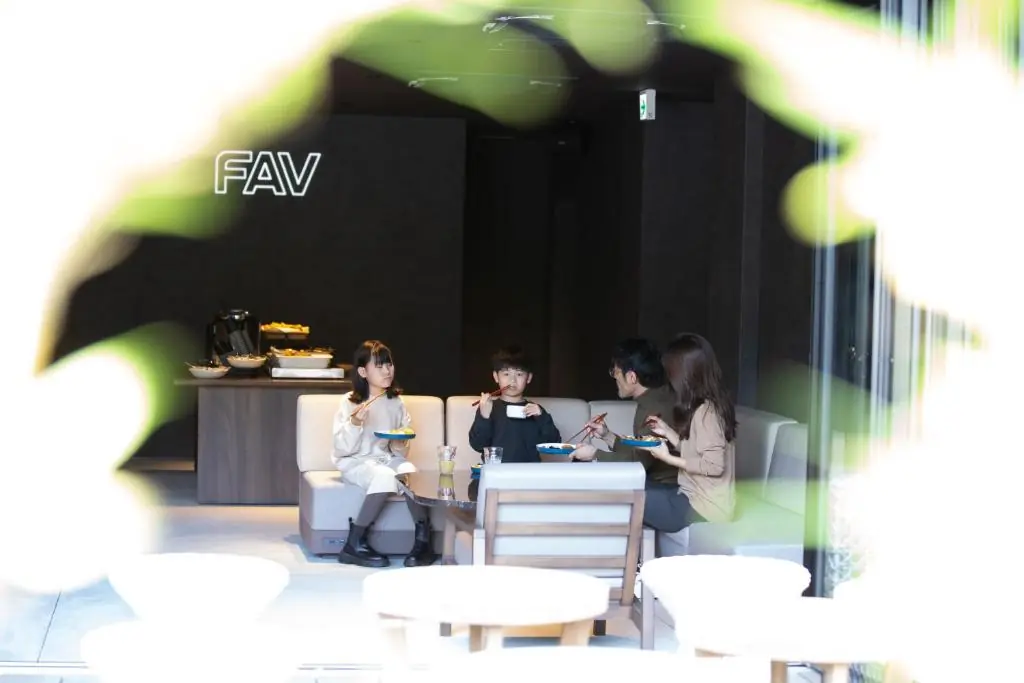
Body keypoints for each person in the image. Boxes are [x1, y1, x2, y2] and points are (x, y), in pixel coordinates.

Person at [574, 333, 736, 531]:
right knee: (615, 487)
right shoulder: (704, 406)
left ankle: (622, 551)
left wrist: (668, 458)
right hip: (690, 498)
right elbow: (696, 451)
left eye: (672, 372)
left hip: (702, 508)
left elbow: (714, 466)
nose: (669, 379)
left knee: (616, 493)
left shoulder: (705, 411)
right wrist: (668, 433)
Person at [332, 340, 437, 568]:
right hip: (356, 461)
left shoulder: (396, 402)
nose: (387, 371)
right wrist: (355, 423)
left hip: (386, 459)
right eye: (379, 366)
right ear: (363, 372)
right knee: (384, 476)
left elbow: (399, 448)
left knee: (410, 472)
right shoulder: (349, 402)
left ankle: (423, 542)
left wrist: (400, 441)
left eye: (389, 364)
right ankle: (354, 543)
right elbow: (341, 448)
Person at [570, 339, 681, 525]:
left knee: (590, 482)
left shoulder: (655, 408)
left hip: (666, 492)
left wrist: (595, 455)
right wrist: (607, 436)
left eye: (615, 372)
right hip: (657, 486)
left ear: (631, 377)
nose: (614, 377)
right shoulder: (654, 399)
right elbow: (640, 452)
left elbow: (638, 464)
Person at [469, 345, 561, 463]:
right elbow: (478, 445)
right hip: (496, 471)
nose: (512, 381)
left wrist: (541, 416)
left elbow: (554, 446)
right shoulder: (488, 407)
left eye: (519, 374)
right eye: (506, 374)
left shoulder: (535, 410)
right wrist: (484, 417)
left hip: (529, 472)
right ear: (496, 377)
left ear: (529, 378)